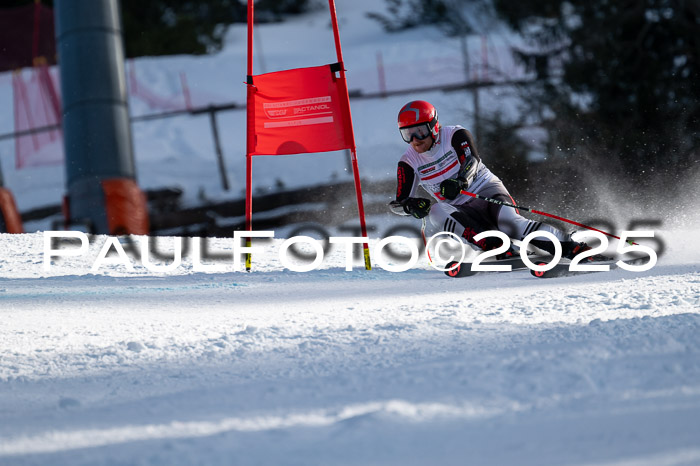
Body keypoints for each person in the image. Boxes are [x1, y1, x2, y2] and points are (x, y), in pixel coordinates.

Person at [388, 100, 589, 259]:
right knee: (436, 211)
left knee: (511, 224)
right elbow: (398, 203)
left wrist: (460, 181)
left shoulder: (454, 135)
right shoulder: (408, 162)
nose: (415, 139)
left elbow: (472, 160)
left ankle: (571, 247)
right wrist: (410, 206)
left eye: (420, 131)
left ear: (433, 126)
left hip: (485, 191)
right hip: (461, 211)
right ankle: (496, 246)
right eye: (408, 134)